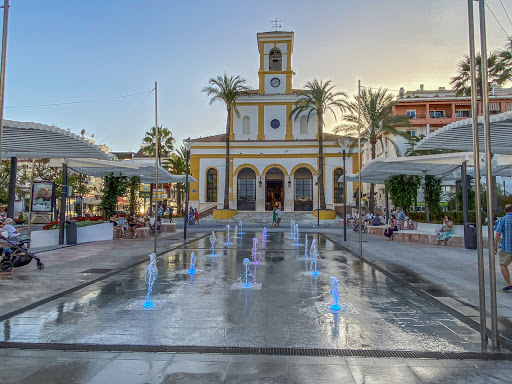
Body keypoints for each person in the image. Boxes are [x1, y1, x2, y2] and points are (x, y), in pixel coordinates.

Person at [494, 204, 512, 291]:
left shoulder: (502, 220)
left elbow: (498, 234)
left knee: (503, 264)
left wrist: (494, 246)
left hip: (506, 246)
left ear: (505, 211)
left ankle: (508, 283)